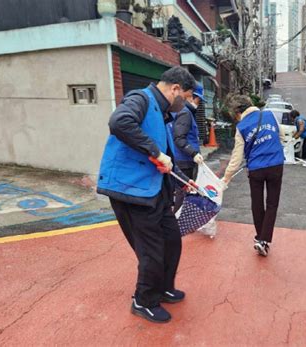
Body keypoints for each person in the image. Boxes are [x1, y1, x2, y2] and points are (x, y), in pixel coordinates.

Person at [97, 66, 196, 323]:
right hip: (130, 190)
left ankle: (162, 287)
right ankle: (143, 300)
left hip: (153, 189)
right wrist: (154, 151)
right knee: (152, 249)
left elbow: (167, 157)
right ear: (175, 89)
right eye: (185, 98)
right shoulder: (141, 99)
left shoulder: (161, 112)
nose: (185, 105)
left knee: (171, 240)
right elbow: (119, 122)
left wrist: (185, 182)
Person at [222, 95, 285, 257]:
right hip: (276, 165)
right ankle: (263, 240)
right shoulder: (270, 115)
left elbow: (237, 156)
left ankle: (260, 238)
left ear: (238, 112)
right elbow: (282, 136)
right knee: (272, 203)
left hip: (256, 168)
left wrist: (227, 177)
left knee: (257, 203)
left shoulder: (242, 127)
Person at [171, 83, 206, 212]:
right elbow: (179, 138)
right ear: (191, 96)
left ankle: (179, 219)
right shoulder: (185, 113)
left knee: (183, 190)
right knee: (183, 190)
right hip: (184, 159)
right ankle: (177, 222)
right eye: (199, 99)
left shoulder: (184, 112)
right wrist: (193, 154)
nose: (199, 103)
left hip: (183, 158)